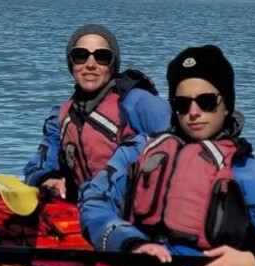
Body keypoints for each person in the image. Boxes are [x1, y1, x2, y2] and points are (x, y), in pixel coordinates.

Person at [78, 45, 255, 266]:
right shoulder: (138, 150)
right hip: (134, 265)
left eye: (206, 101)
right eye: (182, 104)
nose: (194, 112)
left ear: (227, 105)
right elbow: (93, 199)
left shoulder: (248, 173)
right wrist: (130, 243)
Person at [22, 24, 171, 199]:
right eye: (80, 56)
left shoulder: (138, 102)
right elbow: (40, 165)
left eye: (102, 57)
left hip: (135, 211)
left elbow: (178, 150)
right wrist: (47, 180)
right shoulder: (60, 117)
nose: (90, 65)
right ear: (71, 63)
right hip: (86, 210)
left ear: (113, 64)